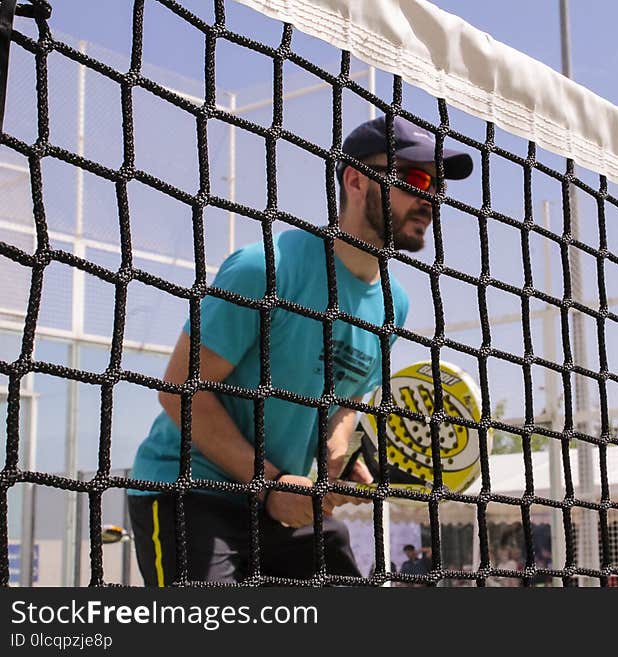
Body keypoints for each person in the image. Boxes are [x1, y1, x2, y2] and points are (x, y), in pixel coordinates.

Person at [125, 115, 473, 585]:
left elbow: (346, 399)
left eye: (436, 186)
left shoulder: (396, 304)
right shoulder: (266, 269)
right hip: (188, 493)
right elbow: (179, 393)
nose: (429, 198)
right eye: (414, 179)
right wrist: (268, 483)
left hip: (282, 504)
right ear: (355, 180)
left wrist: (337, 461)